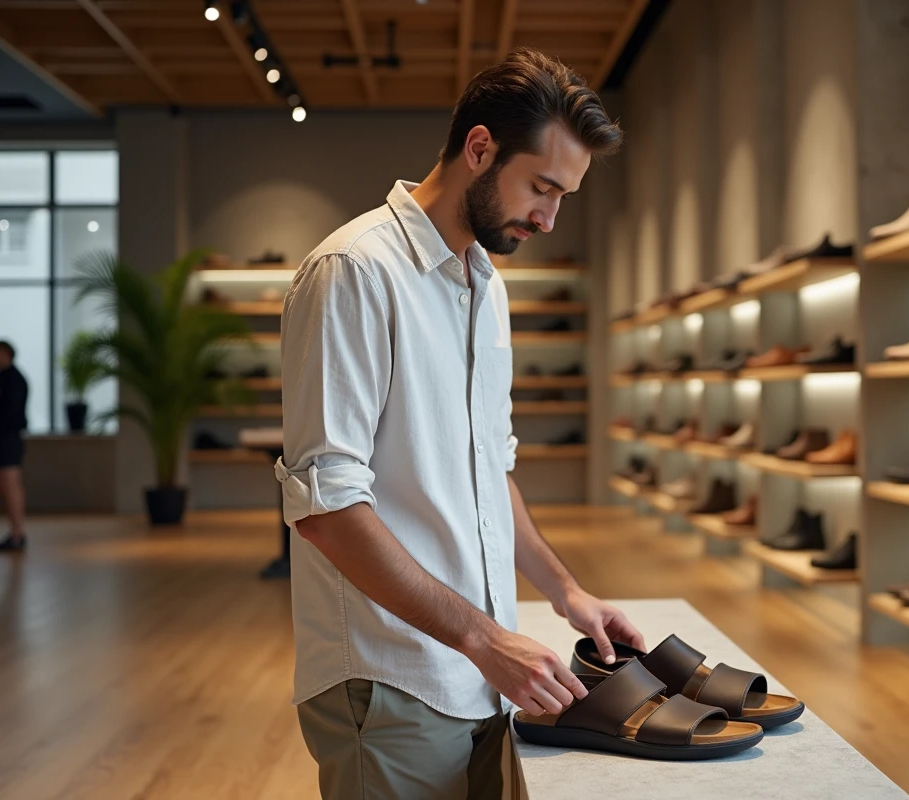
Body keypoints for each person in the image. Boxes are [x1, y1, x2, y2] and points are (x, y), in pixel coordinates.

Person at [273, 48, 640, 799]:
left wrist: (568, 594)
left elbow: (485, 470)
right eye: (541, 187)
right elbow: (328, 510)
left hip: (484, 676)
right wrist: (483, 637)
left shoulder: (485, 287)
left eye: (564, 195)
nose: (549, 216)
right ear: (479, 149)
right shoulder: (355, 271)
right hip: (392, 678)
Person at [0, 340, 28, 553]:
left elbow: (11, 414)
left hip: (8, 439)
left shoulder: (15, 381)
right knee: (6, 485)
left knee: (11, 483)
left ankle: (18, 533)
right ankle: (15, 533)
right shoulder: (3, 378)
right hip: (3, 438)